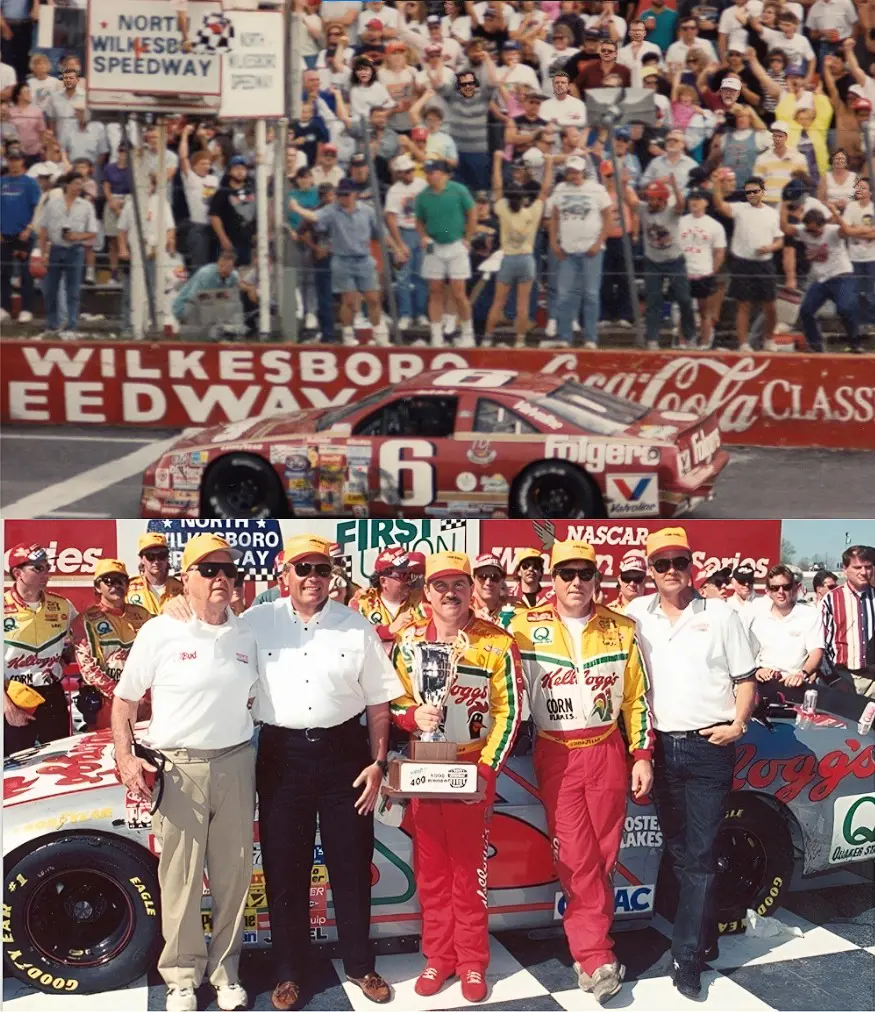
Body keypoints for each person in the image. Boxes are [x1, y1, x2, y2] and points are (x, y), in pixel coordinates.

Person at [241, 534, 400, 1009]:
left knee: (350, 865)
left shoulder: (356, 627)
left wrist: (376, 763)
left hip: (344, 754)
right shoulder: (255, 623)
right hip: (279, 753)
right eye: (303, 568)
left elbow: (378, 705)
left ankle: (360, 965)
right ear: (283, 573)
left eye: (322, 569)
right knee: (282, 867)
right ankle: (289, 972)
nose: (313, 577)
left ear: (334, 576)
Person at [112, 534, 258, 1012]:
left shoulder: (249, 631)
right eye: (209, 570)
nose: (222, 579)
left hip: (237, 760)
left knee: (234, 877)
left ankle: (226, 971)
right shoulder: (160, 630)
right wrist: (125, 755)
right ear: (187, 579)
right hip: (179, 766)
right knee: (180, 879)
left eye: (229, 571)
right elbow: (124, 701)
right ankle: (180, 977)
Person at [508, 540, 654, 1005]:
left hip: (607, 749)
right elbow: (498, 684)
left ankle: (592, 944)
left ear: (597, 578)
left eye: (584, 574)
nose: (575, 582)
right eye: (566, 574)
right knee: (575, 854)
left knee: (605, 854)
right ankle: (595, 955)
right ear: (552, 579)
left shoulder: (622, 628)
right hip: (556, 752)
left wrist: (642, 753)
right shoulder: (522, 626)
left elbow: (636, 699)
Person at [626, 527, 757, 1000]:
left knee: (700, 855)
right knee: (682, 854)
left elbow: (745, 679)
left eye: (679, 562)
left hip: (708, 747)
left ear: (691, 564)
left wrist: (738, 724)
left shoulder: (721, 615)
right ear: (650, 569)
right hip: (660, 747)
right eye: (661, 564)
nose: (671, 571)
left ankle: (686, 958)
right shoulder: (636, 613)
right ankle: (706, 937)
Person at [390, 551, 524, 1003]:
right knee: (430, 871)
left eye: (459, 585)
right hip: (427, 763)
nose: (450, 594)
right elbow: (389, 700)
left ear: (471, 590)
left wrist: (487, 769)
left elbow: (510, 713)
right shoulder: (408, 641)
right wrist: (411, 715)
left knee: (468, 872)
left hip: (471, 767)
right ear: (426, 592)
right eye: (440, 586)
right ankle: (438, 956)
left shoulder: (498, 643)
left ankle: (471, 961)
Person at [4, 543, 76, 756]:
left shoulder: (63, 605)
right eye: (38, 568)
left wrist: (66, 654)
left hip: (51, 693)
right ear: (18, 572)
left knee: (60, 758)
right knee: (14, 764)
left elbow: (81, 640)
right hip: (13, 695)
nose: (47, 573)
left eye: (47, 566)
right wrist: (5, 705)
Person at [484, 147, 553, 347]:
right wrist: (548, 164)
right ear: (523, 199)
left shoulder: (503, 209)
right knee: (523, 305)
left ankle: (487, 339)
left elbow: (496, 187)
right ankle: (520, 340)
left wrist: (497, 161)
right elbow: (545, 190)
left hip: (508, 258)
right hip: (526, 260)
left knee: (498, 302)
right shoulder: (531, 212)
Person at [72, 560, 151, 730]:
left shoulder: (143, 614)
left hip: (144, 699)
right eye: (108, 581)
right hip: (107, 701)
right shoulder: (85, 620)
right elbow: (88, 669)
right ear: (97, 587)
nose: (116, 585)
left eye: (121, 580)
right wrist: (121, 694)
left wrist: (146, 695)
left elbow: (156, 656)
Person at [712, 173, 783, 352]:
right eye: (749, 192)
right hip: (742, 263)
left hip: (764, 263)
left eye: (755, 191)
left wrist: (770, 248)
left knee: (771, 306)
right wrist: (716, 185)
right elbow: (719, 205)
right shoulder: (740, 209)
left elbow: (779, 240)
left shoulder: (772, 213)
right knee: (743, 305)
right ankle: (743, 344)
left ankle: (768, 339)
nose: (752, 195)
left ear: (762, 192)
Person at [549, 155, 612, 349]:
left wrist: (599, 242)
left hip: (591, 250)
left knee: (591, 294)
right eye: (571, 171)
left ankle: (591, 338)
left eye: (577, 171)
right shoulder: (560, 190)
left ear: (583, 171)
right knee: (564, 294)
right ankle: (564, 337)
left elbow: (608, 217)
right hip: (568, 250)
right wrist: (553, 242)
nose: (574, 175)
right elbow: (554, 217)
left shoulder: (597, 190)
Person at [781, 204, 861, 353]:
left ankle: (855, 342)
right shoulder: (804, 231)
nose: (812, 234)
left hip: (841, 275)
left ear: (823, 225)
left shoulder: (832, 231)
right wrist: (783, 210)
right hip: (822, 280)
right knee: (806, 310)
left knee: (845, 308)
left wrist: (835, 214)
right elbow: (785, 228)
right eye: (809, 230)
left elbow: (846, 232)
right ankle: (816, 344)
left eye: (815, 231)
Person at [414, 157, 477, 347]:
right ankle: (436, 335)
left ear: (443, 174)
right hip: (435, 244)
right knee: (435, 290)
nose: (429, 176)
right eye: (427, 172)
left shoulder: (459, 190)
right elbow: (419, 220)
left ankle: (468, 333)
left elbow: (472, 212)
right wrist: (423, 236)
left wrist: (468, 238)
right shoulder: (423, 196)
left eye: (432, 172)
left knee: (459, 292)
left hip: (456, 243)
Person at [37, 170, 97, 338]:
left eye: (81, 184)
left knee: (73, 290)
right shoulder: (52, 203)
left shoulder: (86, 206)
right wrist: (43, 254)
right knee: (51, 289)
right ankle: (52, 324)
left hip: (75, 250)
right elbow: (43, 230)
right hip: (56, 248)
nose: (79, 187)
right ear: (67, 185)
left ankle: (71, 325)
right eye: (76, 183)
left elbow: (92, 232)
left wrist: (77, 236)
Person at [640, 175, 697, 350]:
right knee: (653, 299)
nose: (651, 202)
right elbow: (626, 198)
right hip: (653, 261)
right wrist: (624, 182)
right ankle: (652, 339)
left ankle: (690, 336)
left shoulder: (671, 212)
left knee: (684, 299)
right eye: (649, 198)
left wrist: (674, 186)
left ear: (663, 200)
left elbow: (681, 205)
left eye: (655, 199)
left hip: (675, 261)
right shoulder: (643, 210)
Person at [749, 565, 824, 688]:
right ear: (767, 591)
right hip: (764, 683)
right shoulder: (758, 617)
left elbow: (817, 651)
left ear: (794, 588)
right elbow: (750, 654)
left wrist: (802, 674)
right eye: (775, 587)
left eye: (786, 587)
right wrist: (758, 670)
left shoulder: (810, 614)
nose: (781, 592)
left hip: (797, 683)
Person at [819, 546, 875, 698]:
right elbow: (820, 645)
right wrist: (833, 679)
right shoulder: (831, 600)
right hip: (842, 678)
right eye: (857, 567)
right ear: (845, 569)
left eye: (868, 567)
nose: (863, 572)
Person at [384, 152, 428, 329]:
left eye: (411, 170)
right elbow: (391, 219)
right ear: (400, 173)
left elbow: (429, 211)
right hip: (404, 232)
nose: (409, 174)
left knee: (422, 275)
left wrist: (426, 235)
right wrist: (399, 244)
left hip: (420, 231)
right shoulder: (394, 191)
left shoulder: (423, 185)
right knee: (403, 276)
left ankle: (421, 313)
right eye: (406, 171)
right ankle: (405, 314)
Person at [679, 188, 727, 349]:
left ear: (706, 202)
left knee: (704, 311)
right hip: (684, 271)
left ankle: (705, 343)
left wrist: (712, 270)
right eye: (692, 198)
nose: (694, 202)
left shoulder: (714, 225)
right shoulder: (681, 221)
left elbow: (719, 251)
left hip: (703, 272)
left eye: (698, 199)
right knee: (684, 309)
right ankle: (682, 342)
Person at [350, 547, 423, 641]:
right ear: (384, 581)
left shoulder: (419, 599)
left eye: (410, 575)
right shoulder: (362, 602)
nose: (409, 581)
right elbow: (353, 633)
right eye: (404, 576)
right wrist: (388, 630)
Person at [0, 147, 39, 323]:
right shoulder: (1, 182)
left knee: (26, 274)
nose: (14, 162)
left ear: (22, 161)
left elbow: (37, 208)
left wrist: (29, 228)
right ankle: (4, 307)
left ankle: (27, 308)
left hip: (24, 234)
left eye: (17, 159)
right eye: (11, 159)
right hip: (4, 234)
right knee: (3, 272)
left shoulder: (30, 183)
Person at [842, 175, 875, 336]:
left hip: (871, 258)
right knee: (854, 292)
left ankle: (869, 323)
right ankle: (855, 323)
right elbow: (846, 230)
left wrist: (856, 229)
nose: (860, 190)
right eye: (858, 187)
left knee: (869, 293)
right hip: (853, 258)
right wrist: (865, 231)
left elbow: (873, 235)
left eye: (863, 188)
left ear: (870, 191)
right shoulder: (851, 207)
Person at [127, 533, 184, 616]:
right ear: (141, 559)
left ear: (167, 558)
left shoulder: (181, 589)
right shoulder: (128, 589)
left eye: (161, 555)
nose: (156, 561)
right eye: (150, 556)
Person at [471, 553, 513, 624]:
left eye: (494, 577)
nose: (488, 582)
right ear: (473, 579)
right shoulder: (463, 611)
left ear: (502, 579)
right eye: (482, 576)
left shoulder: (514, 607)